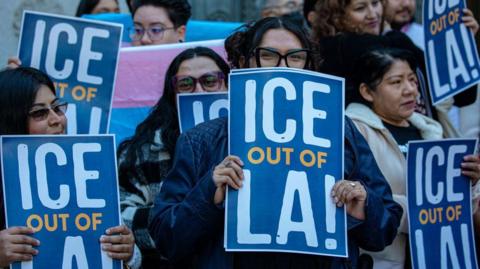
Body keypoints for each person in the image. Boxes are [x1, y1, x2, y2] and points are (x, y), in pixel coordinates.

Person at [149, 16, 402, 269]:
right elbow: (166, 239)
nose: (284, 67)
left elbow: (385, 229)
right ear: (242, 62)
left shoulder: (340, 130)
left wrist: (363, 205)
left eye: (295, 56)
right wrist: (208, 194)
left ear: (308, 65)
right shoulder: (200, 140)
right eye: (268, 55)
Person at [345, 48, 480, 269]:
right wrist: (433, 209)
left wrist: (471, 184)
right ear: (367, 91)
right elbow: (361, 200)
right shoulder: (354, 132)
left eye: (412, 80)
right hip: (381, 261)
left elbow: (463, 211)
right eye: (396, 82)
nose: (410, 90)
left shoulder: (431, 130)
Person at [0, 67, 139, 268]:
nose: (57, 119)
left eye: (57, 108)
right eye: (39, 113)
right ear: (10, 122)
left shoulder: (88, 173)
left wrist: (129, 253)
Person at [117, 47, 230, 268]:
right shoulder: (142, 152)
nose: (198, 91)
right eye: (186, 84)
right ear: (173, 93)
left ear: (228, 84)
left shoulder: (252, 142)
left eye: (210, 81)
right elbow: (121, 218)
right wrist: (172, 216)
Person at [311, 0, 479, 137]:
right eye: (360, 8)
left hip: (426, 145)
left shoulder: (395, 40)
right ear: (338, 17)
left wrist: (462, 43)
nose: (372, 14)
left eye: (375, 3)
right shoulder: (335, 49)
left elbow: (462, 96)